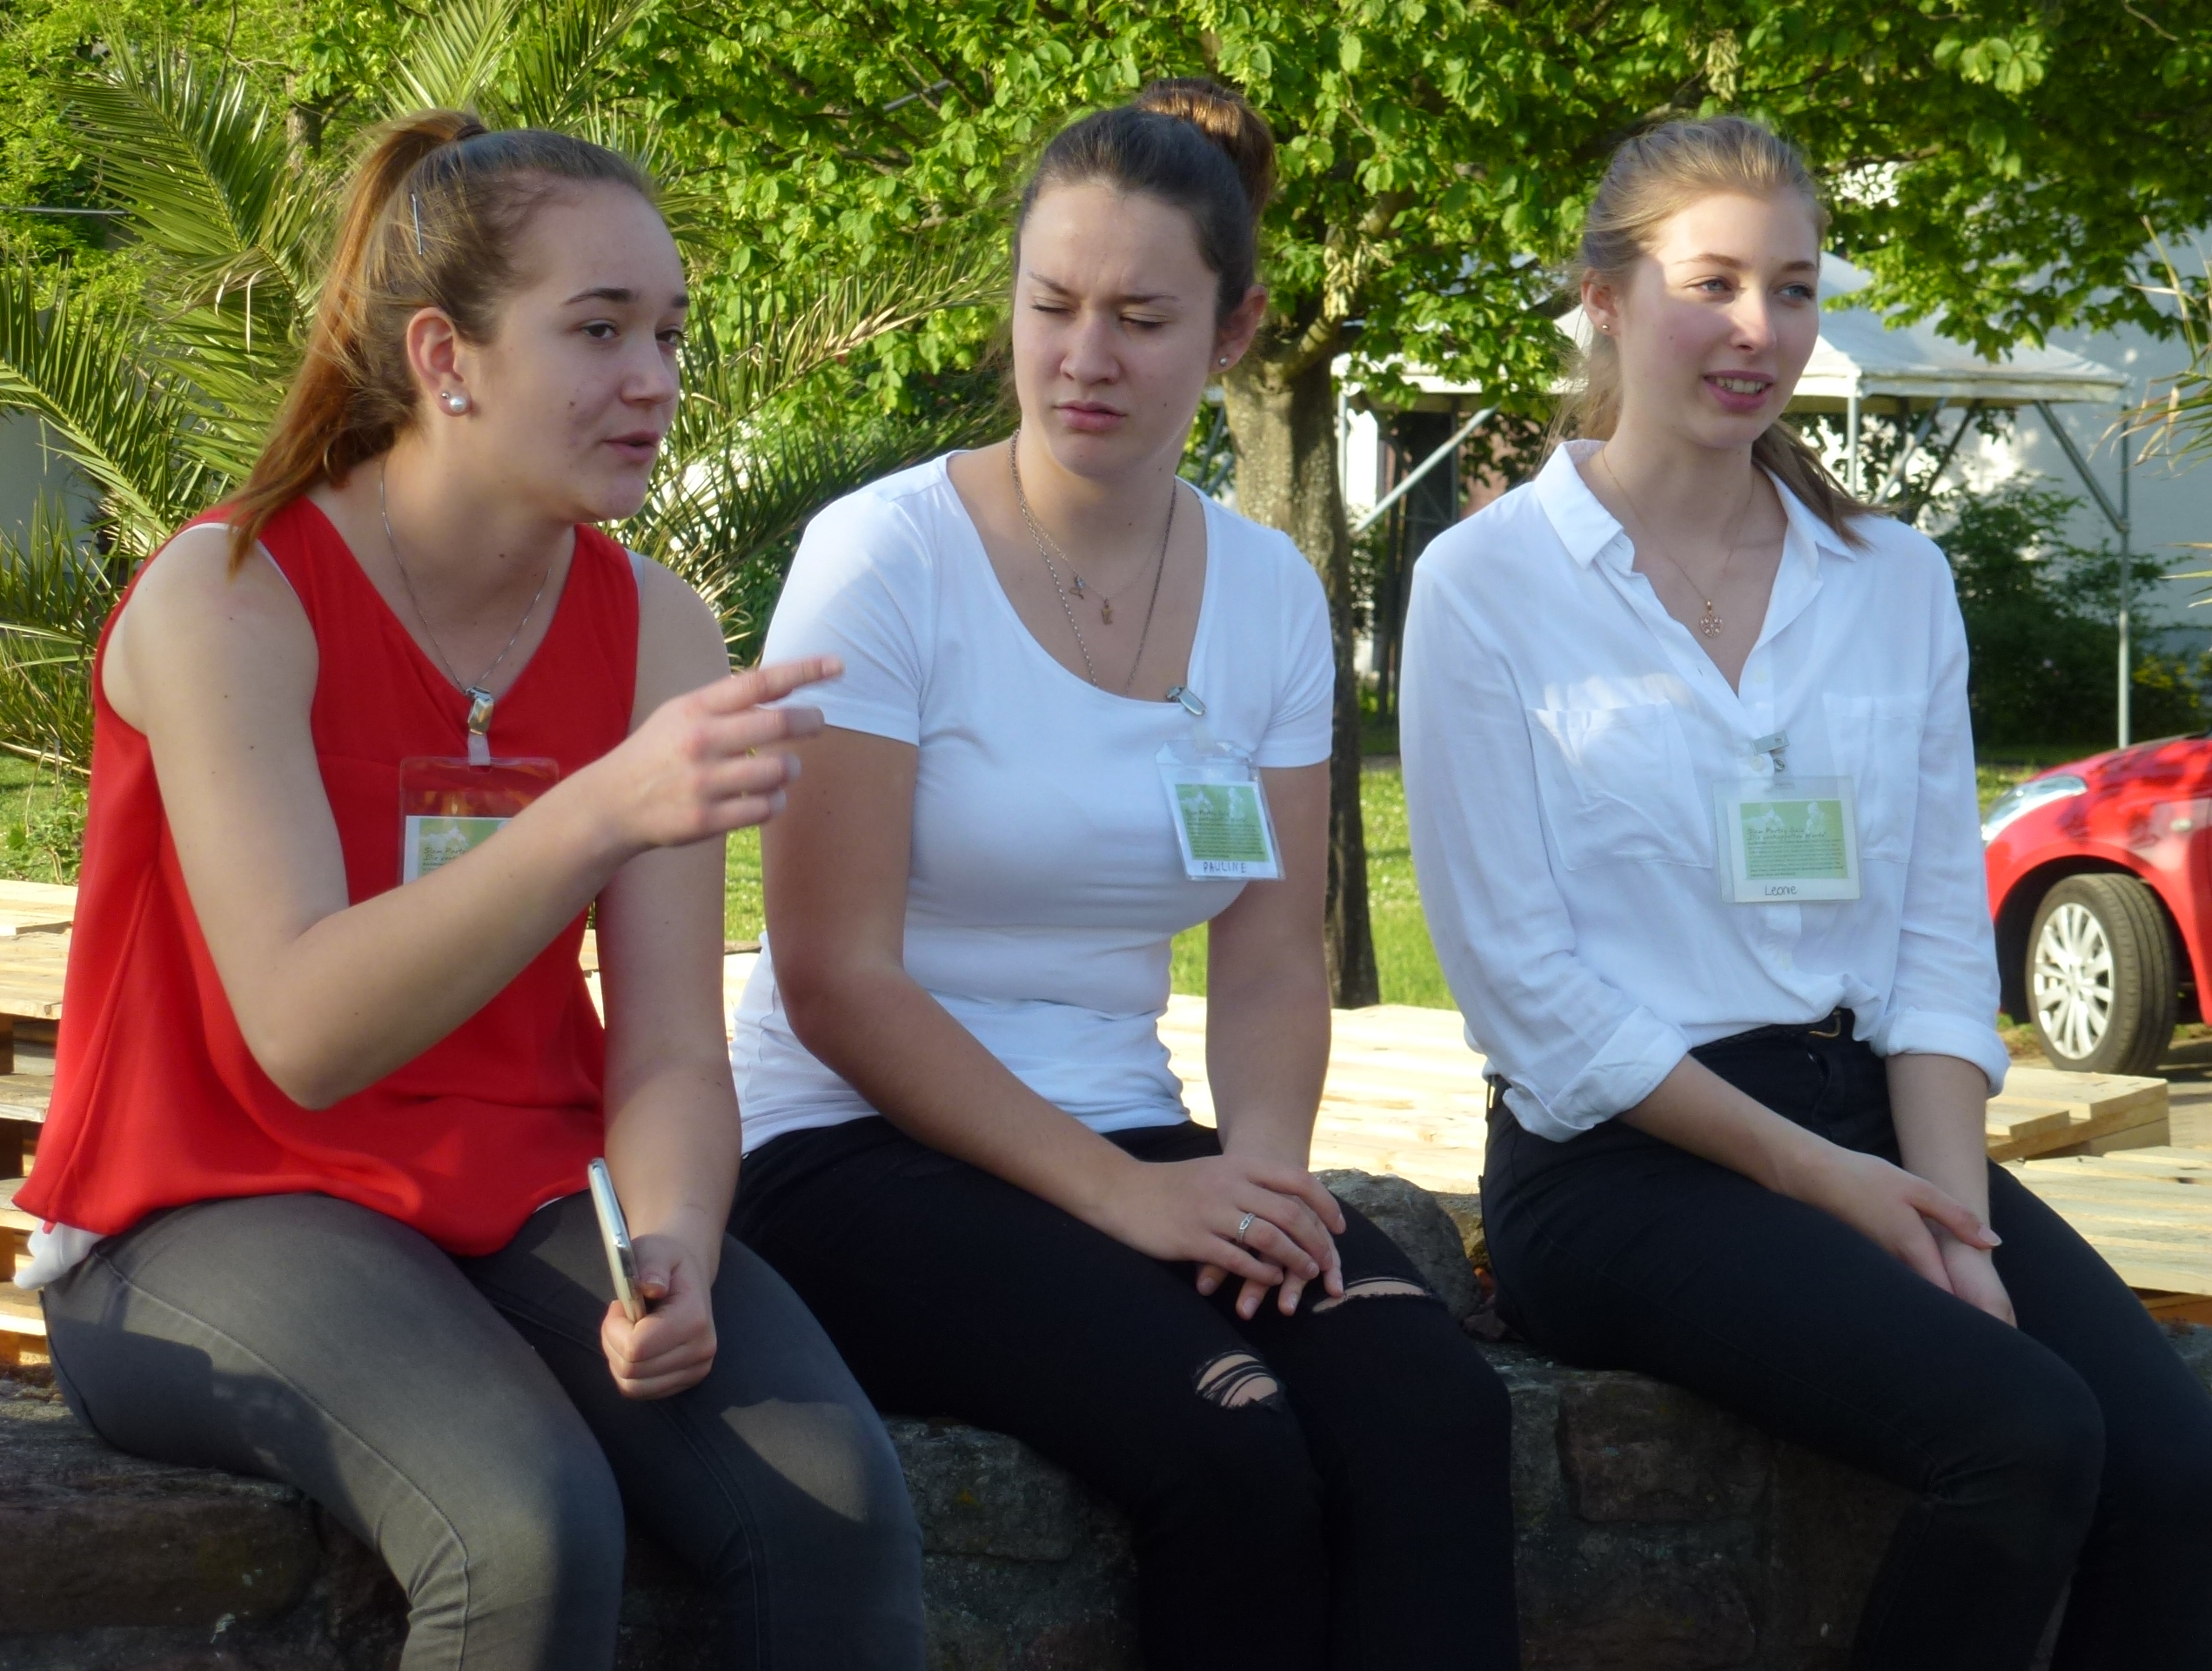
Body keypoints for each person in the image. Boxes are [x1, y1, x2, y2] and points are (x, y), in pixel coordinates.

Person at [17, 113, 924, 1670]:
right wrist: (596, 809)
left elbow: (669, 1047)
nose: (655, 379)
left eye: (668, 334)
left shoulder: (658, 627)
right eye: (599, 330)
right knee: (523, 1524)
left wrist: (675, 1240)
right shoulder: (228, 594)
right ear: (446, 356)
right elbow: (304, 1032)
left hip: (520, 1189)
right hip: (201, 1208)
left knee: (833, 1503)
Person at [726, 78, 1519, 1671]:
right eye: (1053, 305)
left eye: (1142, 319)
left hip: (1127, 1127)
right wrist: (1134, 1199)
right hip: (847, 1147)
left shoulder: (1270, 591)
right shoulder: (884, 557)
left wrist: (1268, 1188)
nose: (1084, 356)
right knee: (1227, 1440)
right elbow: (830, 976)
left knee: (1436, 1414)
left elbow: (1273, 950)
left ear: (1234, 331)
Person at [1400, 115, 2212, 1670]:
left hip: (1879, 1120)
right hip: (1622, 1162)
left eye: (1792, 287)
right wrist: (1824, 1182)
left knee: (2172, 1465)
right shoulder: (1486, 586)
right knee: (2025, 1437)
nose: (1758, 330)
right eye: (1711, 283)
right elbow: (1529, 993)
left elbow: (1933, 937)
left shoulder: (1892, 580)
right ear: (1604, 298)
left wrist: (1956, 1228)